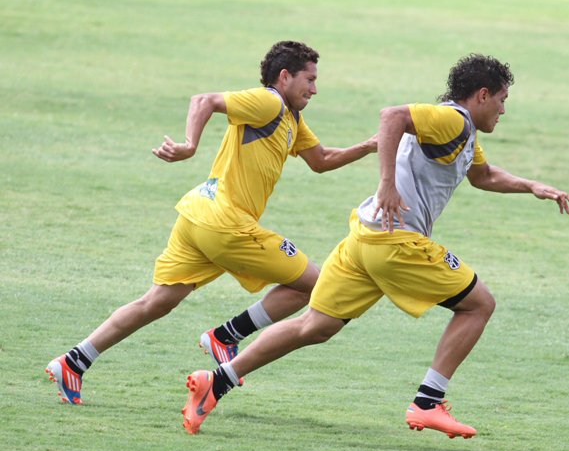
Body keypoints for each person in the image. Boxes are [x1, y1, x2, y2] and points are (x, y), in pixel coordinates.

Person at [182, 53, 569, 437]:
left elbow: (483, 175)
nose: (503, 111)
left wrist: (532, 186)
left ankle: (215, 382)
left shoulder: (460, 131)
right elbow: (391, 116)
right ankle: (427, 402)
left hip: (363, 239)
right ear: (483, 95)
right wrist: (387, 183)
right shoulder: (452, 118)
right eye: (503, 100)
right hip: (396, 242)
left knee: (313, 327)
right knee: (479, 304)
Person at [45, 41, 377, 404]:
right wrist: (189, 145)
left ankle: (74, 361)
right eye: (309, 80)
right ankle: (226, 336)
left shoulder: (292, 119)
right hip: (226, 224)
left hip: (198, 214)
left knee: (156, 301)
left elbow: (321, 159)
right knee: (313, 285)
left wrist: (371, 144)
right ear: (285, 77)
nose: (314, 89)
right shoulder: (269, 102)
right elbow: (205, 100)